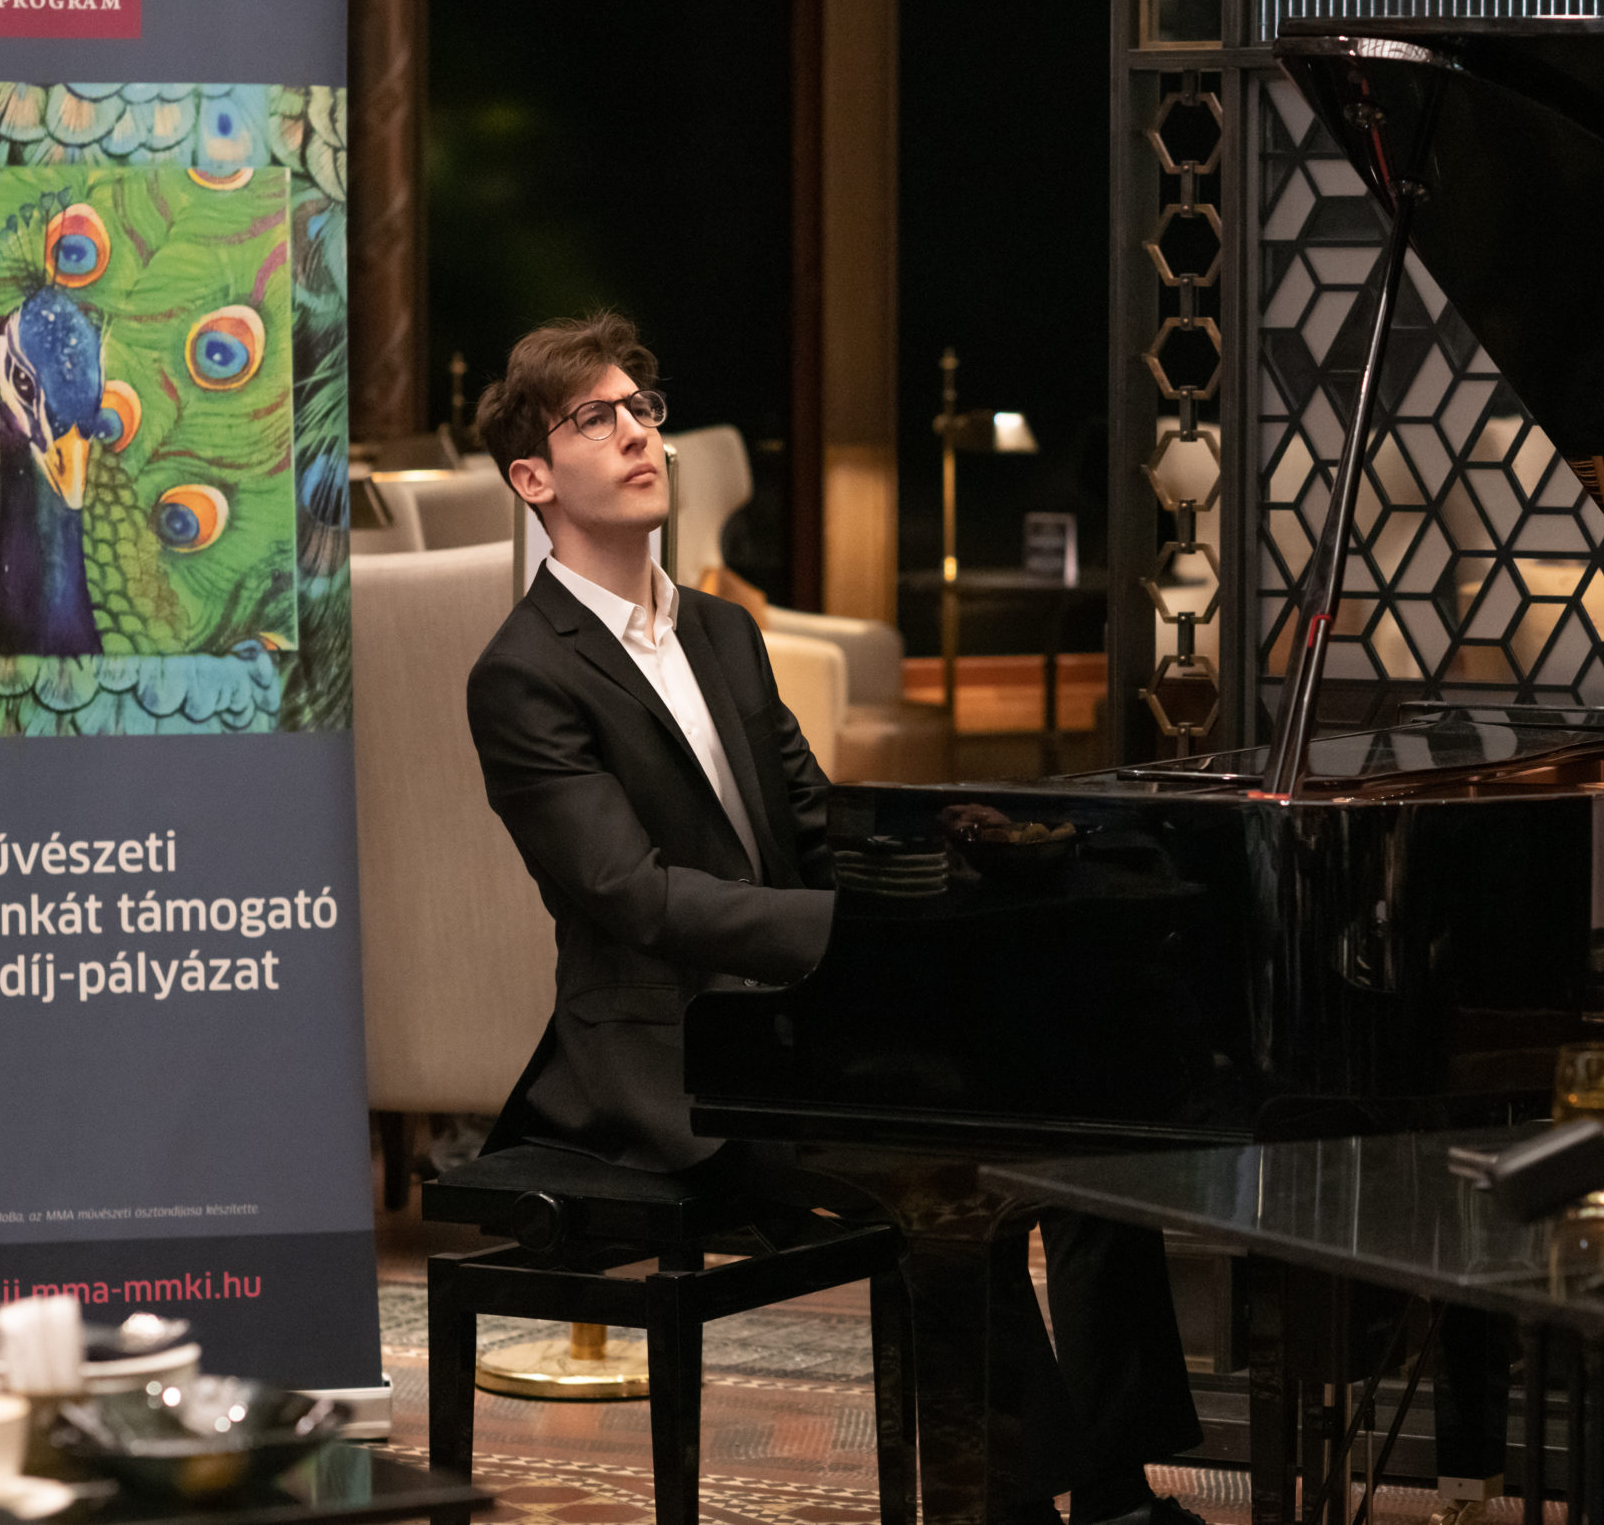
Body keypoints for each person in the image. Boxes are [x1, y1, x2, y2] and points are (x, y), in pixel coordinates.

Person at [464, 312, 1203, 1525]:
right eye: (596, 417)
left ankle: (1117, 1488)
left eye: (643, 406)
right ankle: (1013, 1509)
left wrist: (952, 854)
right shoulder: (521, 672)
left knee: (1091, 1113)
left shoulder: (722, 630)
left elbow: (817, 826)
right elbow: (630, 894)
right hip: (670, 1060)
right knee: (939, 1177)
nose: (638, 431)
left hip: (804, 1024)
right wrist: (842, 936)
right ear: (532, 478)